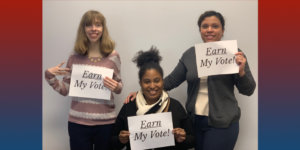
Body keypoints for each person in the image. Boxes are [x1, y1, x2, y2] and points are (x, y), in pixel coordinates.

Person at [125, 10, 256, 150]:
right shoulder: (190, 55)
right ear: (200, 30)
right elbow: (171, 81)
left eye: (215, 26)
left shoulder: (234, 53)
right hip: (195, 122)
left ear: (222, 30)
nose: (209, 30)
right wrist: (142, 92)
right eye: (205, 26)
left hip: (223, 123)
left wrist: (241, 71)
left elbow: (248, 89)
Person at [45, 10, 122, 150]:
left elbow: (119, 86)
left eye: (98, 25)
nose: (94, 29)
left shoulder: (113, 56)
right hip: (78, 124)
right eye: (89, 25)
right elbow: (66, 90)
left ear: (103, 28)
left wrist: (117, 87)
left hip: (106, 124)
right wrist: (50, 77)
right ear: (83, 29)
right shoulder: (75, 56)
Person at [112, 47, 194, 150]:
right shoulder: (129, 106)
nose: (152, 86)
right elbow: (112, 142)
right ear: (140, 83)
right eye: (147, 82)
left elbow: (192, 140)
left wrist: (183, 138)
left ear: (162, 81)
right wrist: (120, 140)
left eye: (156, 80)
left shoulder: (175, 106)